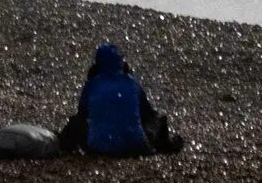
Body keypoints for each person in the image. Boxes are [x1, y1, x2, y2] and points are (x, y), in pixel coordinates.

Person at [55, 42, 184, 157]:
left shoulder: (92, 85)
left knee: (76, 121)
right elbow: (147, 113)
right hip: (136, 147)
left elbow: (82, 113)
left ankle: (63, 146)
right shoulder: (132, 83)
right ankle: (166, 147)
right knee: (157, 119)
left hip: (98, 149)